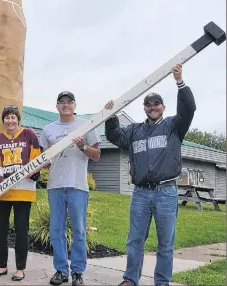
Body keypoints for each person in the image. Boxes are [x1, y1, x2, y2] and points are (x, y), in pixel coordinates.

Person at [103, 64, 196, 286]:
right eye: (148, 104)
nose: (152, 107)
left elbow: (189, 108)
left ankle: (162, 282)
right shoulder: (134, 131)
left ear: (163, 107)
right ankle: (130, 279)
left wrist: (180, 82)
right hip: (141, 194)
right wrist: (111, 115)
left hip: (166, 191)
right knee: (135, 240)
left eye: (156, 104)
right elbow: (114, 136)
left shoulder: (174, 126)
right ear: (144, 108)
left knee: (165, 243)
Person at [39, 91, 102, 286]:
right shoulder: (48, 129)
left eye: (69, 102)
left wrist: (83, 146)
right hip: (55, 185)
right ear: (57, 106)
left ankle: (77, 272)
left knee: (79, 230)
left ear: (74, 105)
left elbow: (97, 155)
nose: (65, 105)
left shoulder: (86, 126)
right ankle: (60, 271)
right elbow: (44, 160)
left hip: (77, 186)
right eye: (61, 102)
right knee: (56, 229)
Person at [0, 105, 42, 281]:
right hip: (3, 193)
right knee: (1, 231)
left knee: (21, 231)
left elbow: (36, 158)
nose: (10, 121)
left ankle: (20, 268)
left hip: (23, 192)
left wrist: (34, 171)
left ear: (18, 119)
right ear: (3, 120)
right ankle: (2, 266)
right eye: (7, 117)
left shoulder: (29, 135)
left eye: (13, 117)